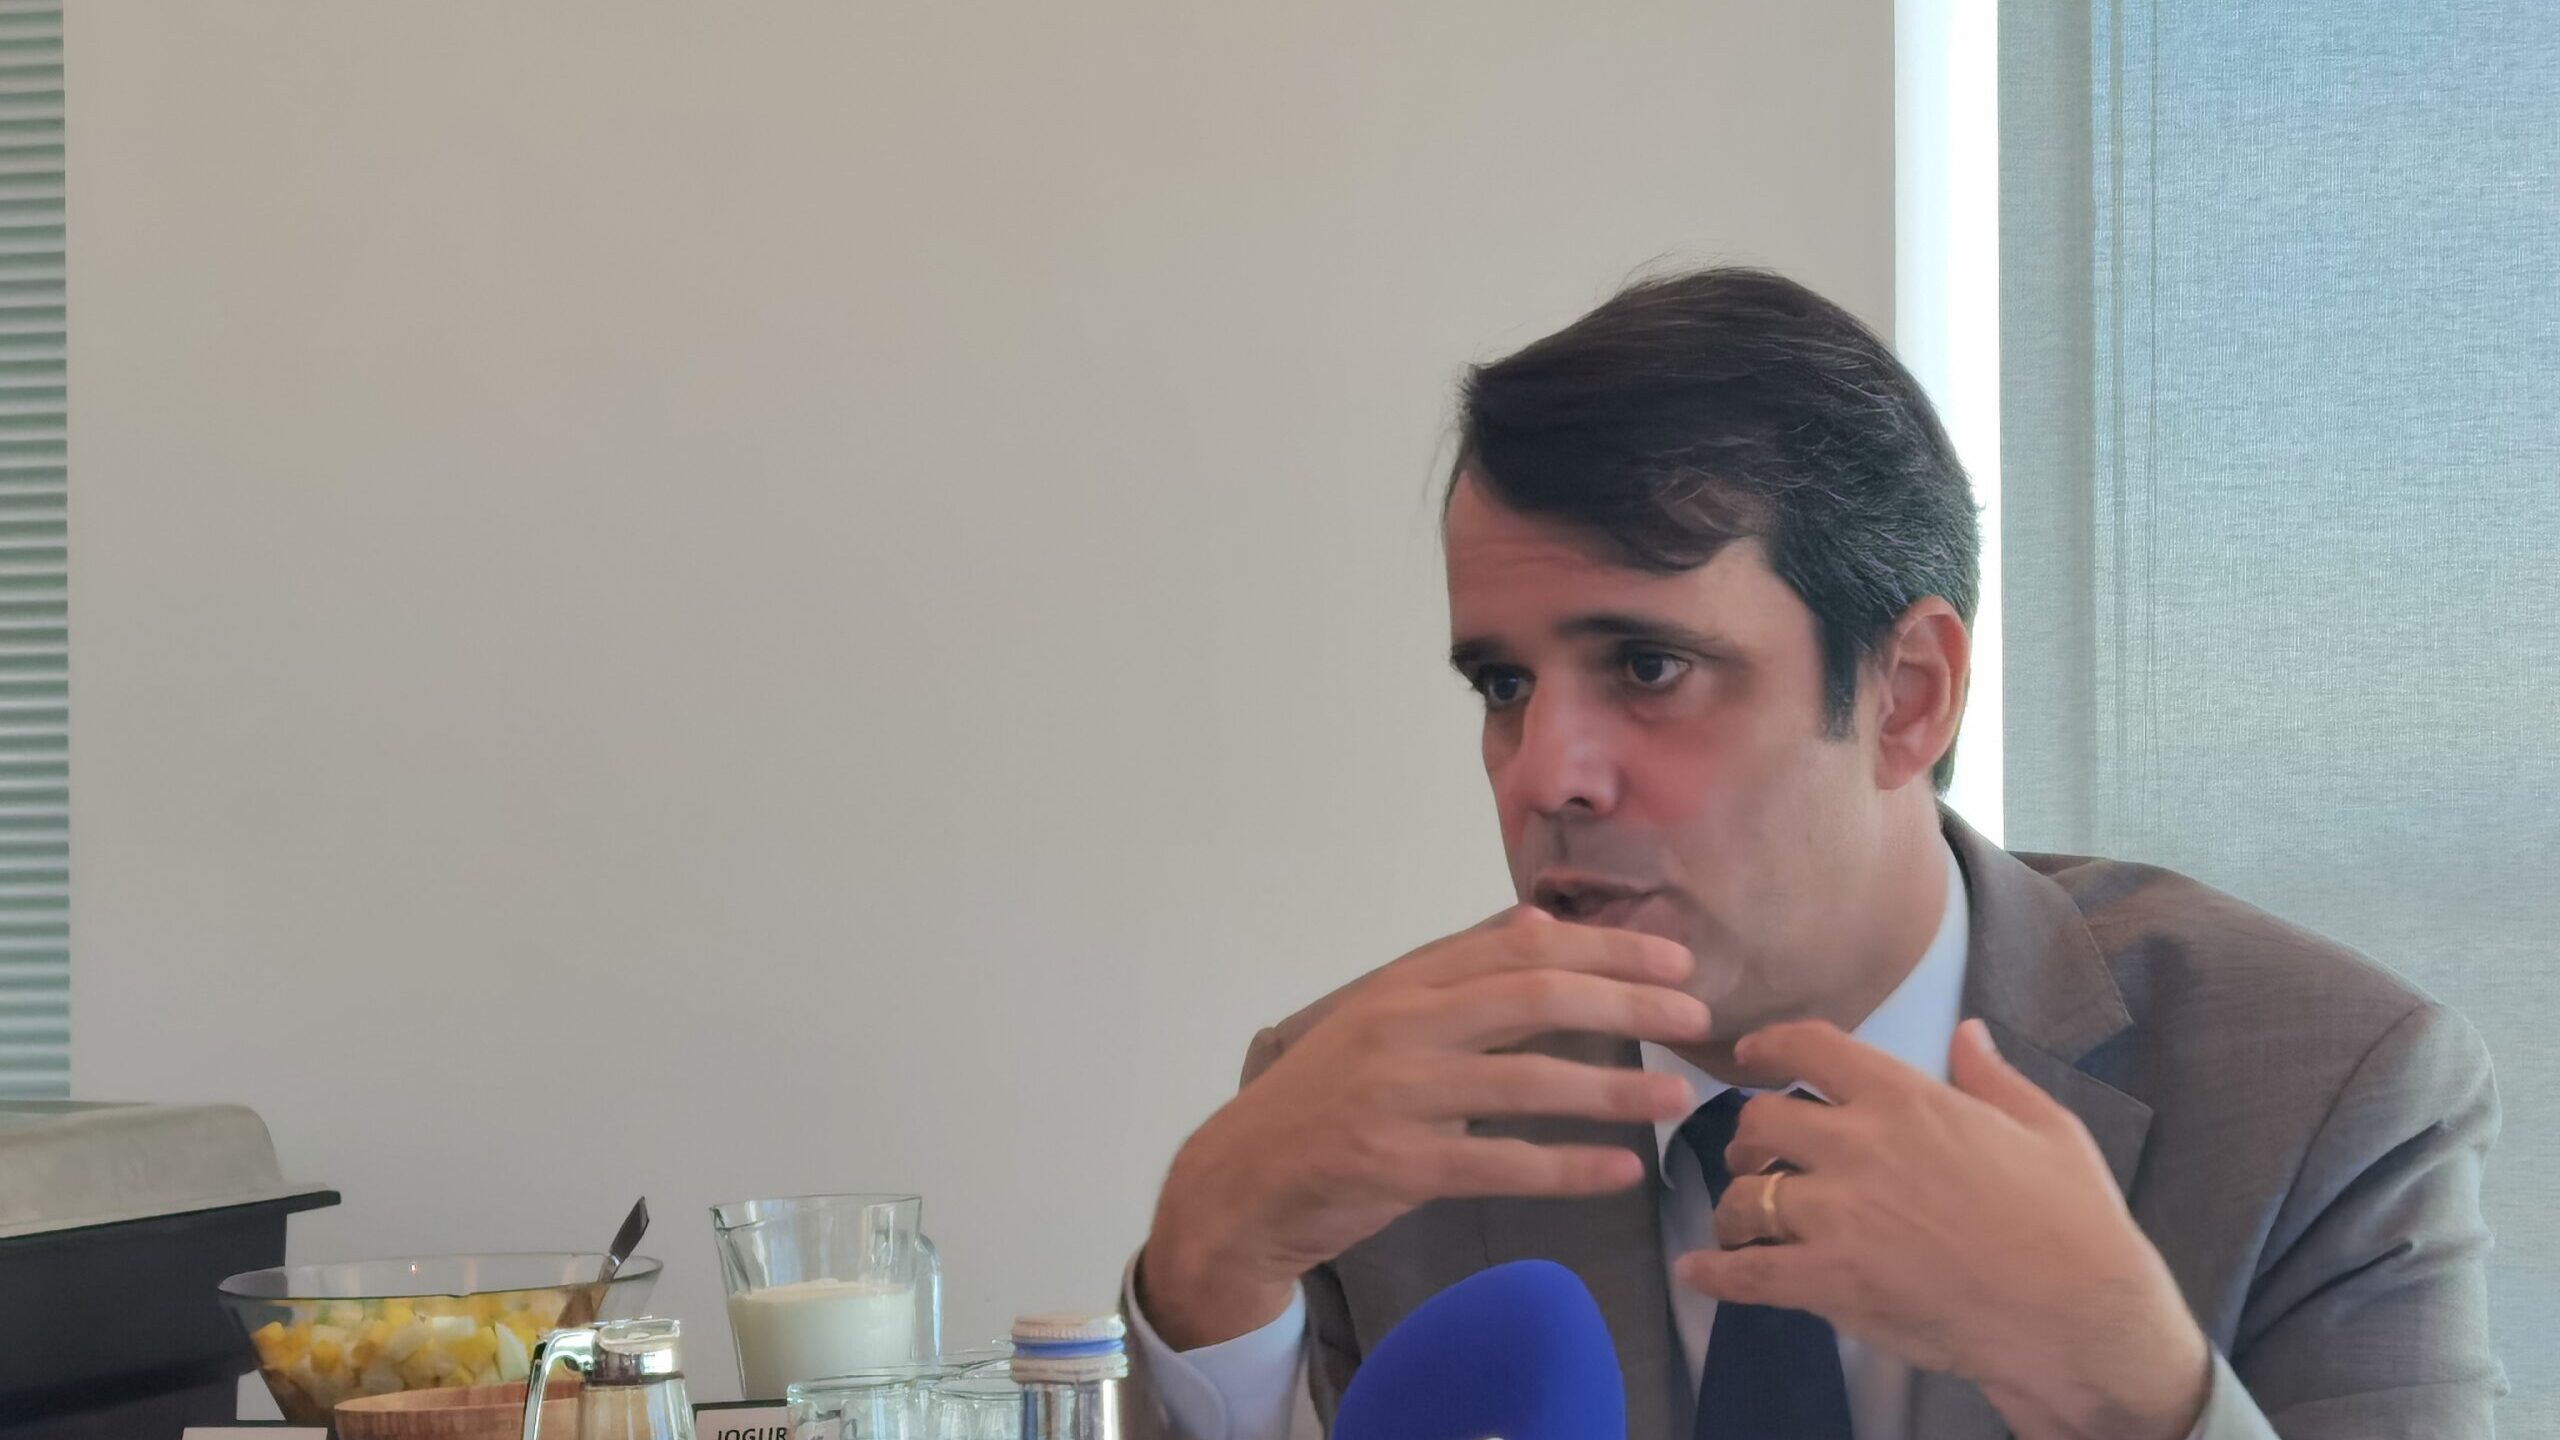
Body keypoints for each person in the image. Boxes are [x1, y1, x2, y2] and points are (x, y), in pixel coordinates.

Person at [1115, 268, 2502, 1439]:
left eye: (1648, 667)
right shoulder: (1371, 1110)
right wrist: (1205, 1287)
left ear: (1908, 697)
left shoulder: (2324, 1091)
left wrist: (2134, 1383)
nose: (1543, 772)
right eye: (1503, 685)